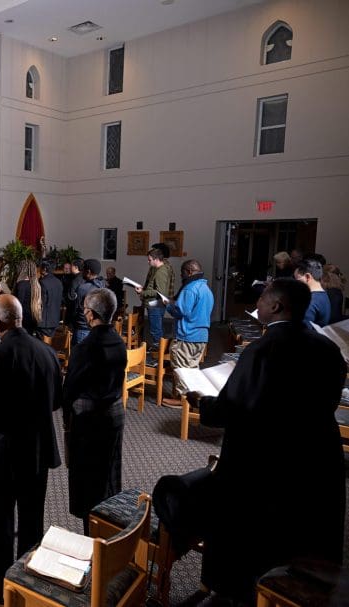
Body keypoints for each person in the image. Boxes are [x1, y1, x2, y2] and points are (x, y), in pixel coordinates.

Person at [185, 279, 345, 603]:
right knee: (296, 531)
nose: (256, 303)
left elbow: (233, 407)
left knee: (249, 532)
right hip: (314, 454)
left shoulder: (263, 349)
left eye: (262, 298)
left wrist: (201, 402)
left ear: (276, 306)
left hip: (263, 457)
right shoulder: (327, 348)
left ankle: (237, 592)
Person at [0, 295, 62, 606]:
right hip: (37, 449)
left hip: (4, 455)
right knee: (32, 520)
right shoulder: (47, 351)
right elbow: (57, 401)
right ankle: (28, 584)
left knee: (1, 523)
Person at [61, 288, 126, 532]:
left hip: (88, 419)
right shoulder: (119, 342)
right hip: (114, 414)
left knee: (87, 477)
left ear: (90, 314)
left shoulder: (85, 348)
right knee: (109, 471)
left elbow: (70, 391)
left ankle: (92, 532)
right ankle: (109, 525)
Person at [162, 260, 214, 408]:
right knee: (192, 368)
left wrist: (168, 306)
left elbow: (180, 312)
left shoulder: (189, 289)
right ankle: (194, 397)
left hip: (187, 335)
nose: (181, 275)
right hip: (202, 335)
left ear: (189, 271)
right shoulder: (205, 289)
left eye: (182, 272)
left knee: (182, 368)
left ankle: (183, 399)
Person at [135, 248, 175, 350]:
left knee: (156, 330)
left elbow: (160, 292)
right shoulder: (160, 269)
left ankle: (159, 353)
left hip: (155, 304)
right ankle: (159, 350)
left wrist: (142, 292)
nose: (148, 262)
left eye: (149, 260)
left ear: (156, 259)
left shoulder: (161, 271)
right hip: (156, 304)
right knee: (157, 328)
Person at [67, 258, 105, 345]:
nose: (81, 272)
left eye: (83, 269)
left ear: (88, 272)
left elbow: (76, 309)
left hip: (83, 329)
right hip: (97, 328)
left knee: (79, 357)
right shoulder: (103, 285)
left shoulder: (83, 288)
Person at [293, 259, 330, 326]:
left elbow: (302, 332)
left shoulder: (310, 300)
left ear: (307, 277)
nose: (296, 284)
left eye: (297, 280)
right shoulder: (324, 295)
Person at [12, 259, 42, 335]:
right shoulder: (36, 284)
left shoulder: (22, 284)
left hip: (23, 319)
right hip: (33, 316)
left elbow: (18, 304)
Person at [37, 260, 63, 338]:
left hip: (44, 321)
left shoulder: (42, 282)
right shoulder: (58, 282)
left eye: (40, 268)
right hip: (55, 320)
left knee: (42, 346)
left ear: (44, 269)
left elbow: (40, 301)